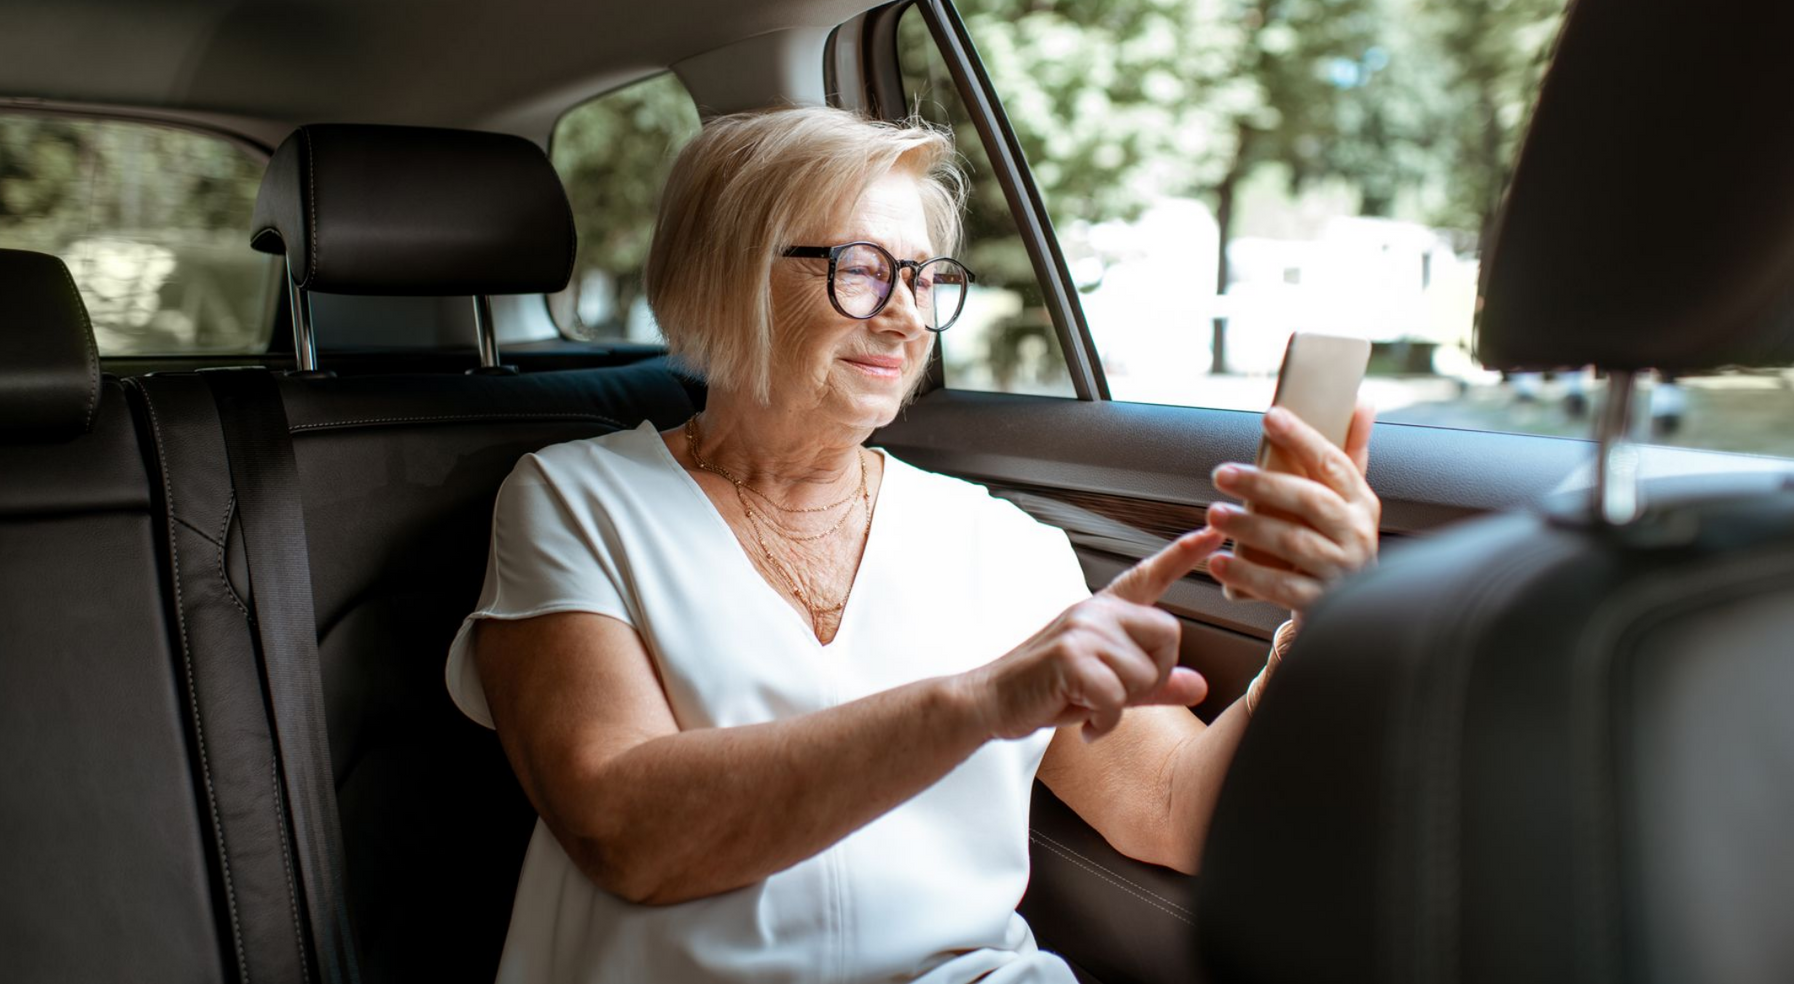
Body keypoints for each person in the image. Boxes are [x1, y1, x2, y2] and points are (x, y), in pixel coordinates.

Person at [443, 106, 1381, 983]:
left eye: (927, 278)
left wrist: (1329, 625)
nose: (903, 314)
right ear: (724, 275)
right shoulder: (573, 499)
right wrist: (982, 702)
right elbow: (624, 832)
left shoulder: (1000, 542)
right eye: (860, 268)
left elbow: (1176, 813)